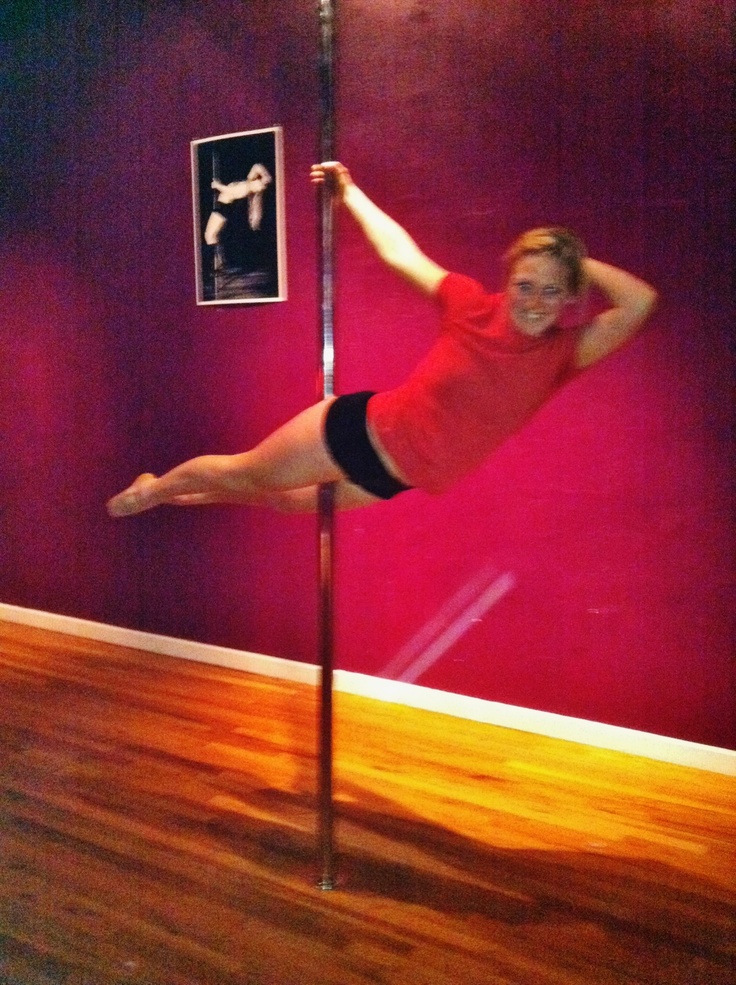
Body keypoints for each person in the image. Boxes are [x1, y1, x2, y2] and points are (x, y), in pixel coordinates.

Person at [107, 161, 657, 519]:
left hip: (397, 478)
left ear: (568, 298)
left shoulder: (563, 353)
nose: (535, 301)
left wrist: (572, 259)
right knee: (248, 471)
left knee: (280, 503)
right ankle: (152, 491)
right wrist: (351, 195)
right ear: (508, 282)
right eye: (525, 284)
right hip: (360, 432)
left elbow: (640, 303)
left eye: (552, 290)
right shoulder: (469, 305)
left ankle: (170, 491)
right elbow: (400, 254)